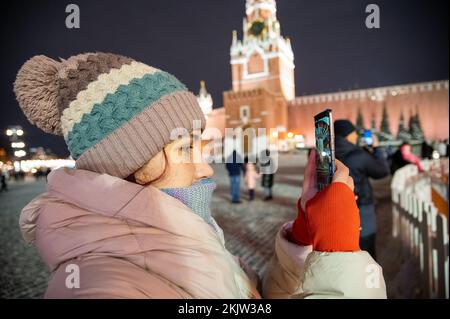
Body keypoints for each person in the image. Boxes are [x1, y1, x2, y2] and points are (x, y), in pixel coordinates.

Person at [16, 52, 386, 299]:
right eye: (184, 148)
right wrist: (339, 254)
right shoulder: (104, 289)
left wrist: (303, 240)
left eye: (201, 146)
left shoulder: (190, 238)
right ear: (125, 164)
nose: (207, 167)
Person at [334, 120, 390, 260]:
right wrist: (376, 149)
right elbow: (382, 171)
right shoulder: (358, 155)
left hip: (338, 209)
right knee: (367, 250)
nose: (356, 137)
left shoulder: (330, 155)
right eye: (354, 133)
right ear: (347, 135)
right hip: (362, 209)